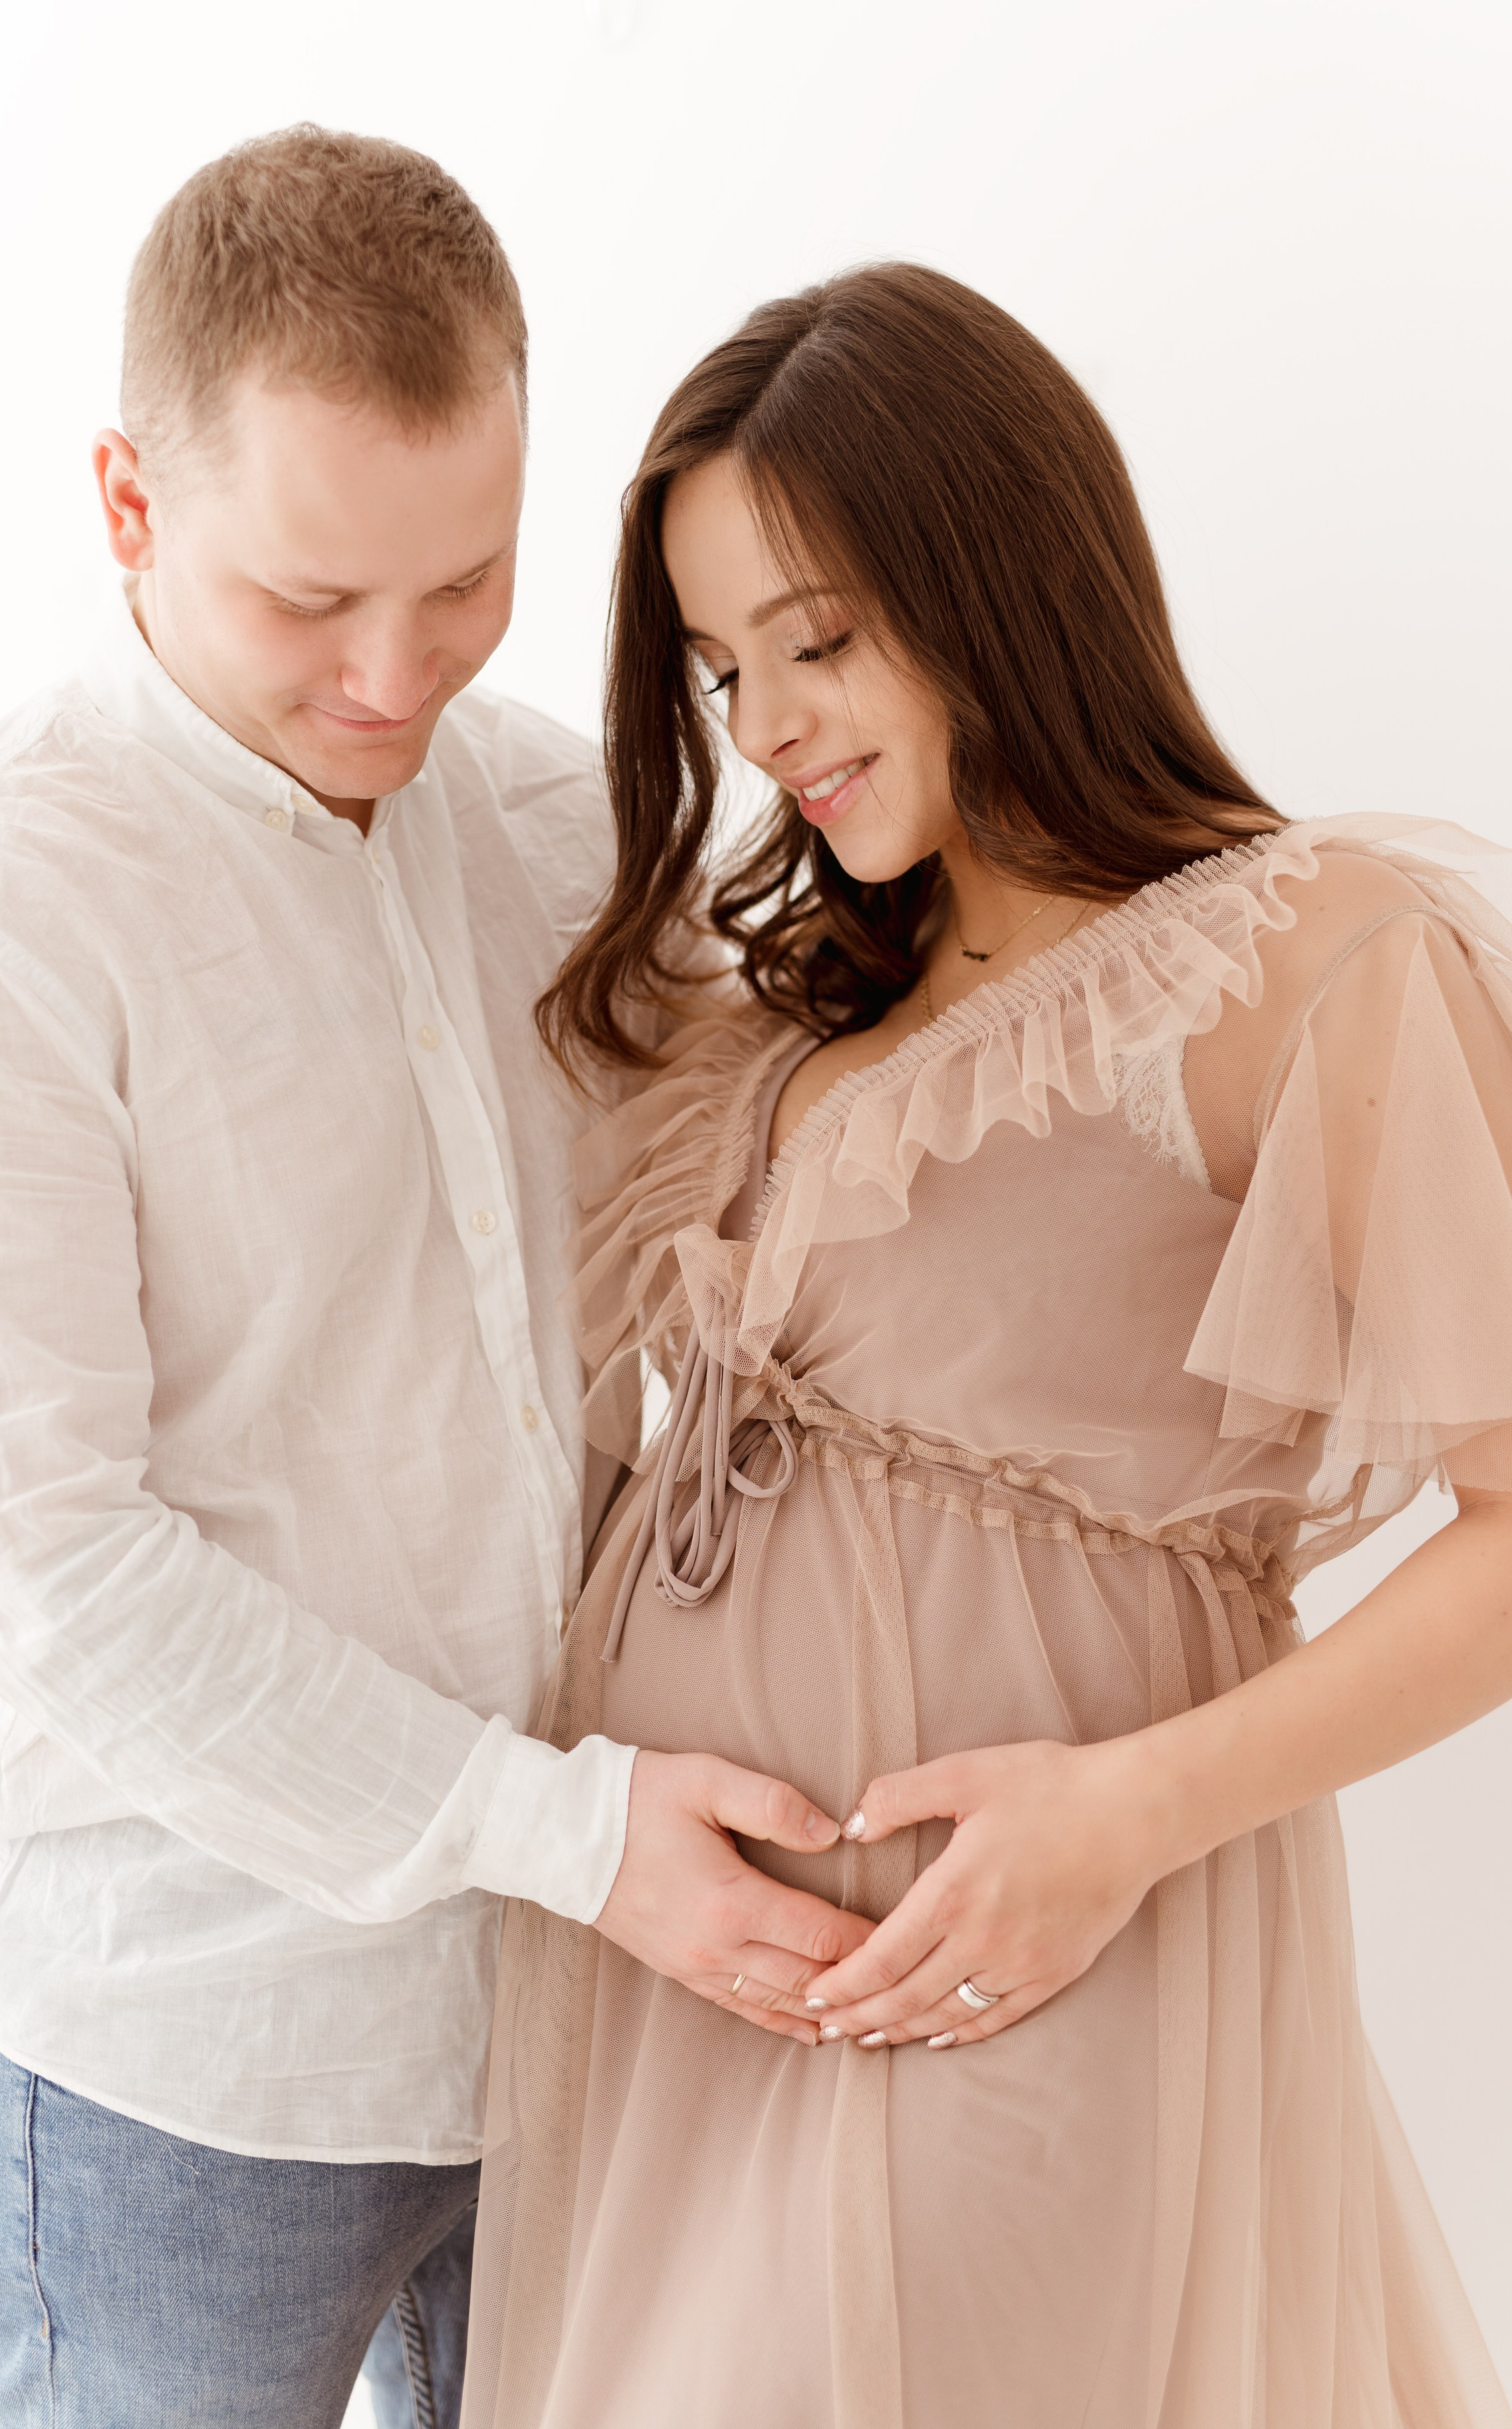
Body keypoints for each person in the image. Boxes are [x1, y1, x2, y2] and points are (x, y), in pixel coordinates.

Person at [0, 127, 867, 2429]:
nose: (395, 674)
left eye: (467, 579)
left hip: (584, 2030)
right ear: (125, 509)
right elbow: (59, 1579)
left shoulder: (569, 835)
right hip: (179, 2062)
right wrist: (576, 1837)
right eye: (307, 601)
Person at [461, 263, 1512, 2428]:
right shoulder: (803, 1012)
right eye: (724, 665)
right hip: (689, 2003)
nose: (768, 727)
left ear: (1007, 572)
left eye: (821, 638)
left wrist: (1126, 1816)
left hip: (1029, 1990)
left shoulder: (1312, 966)